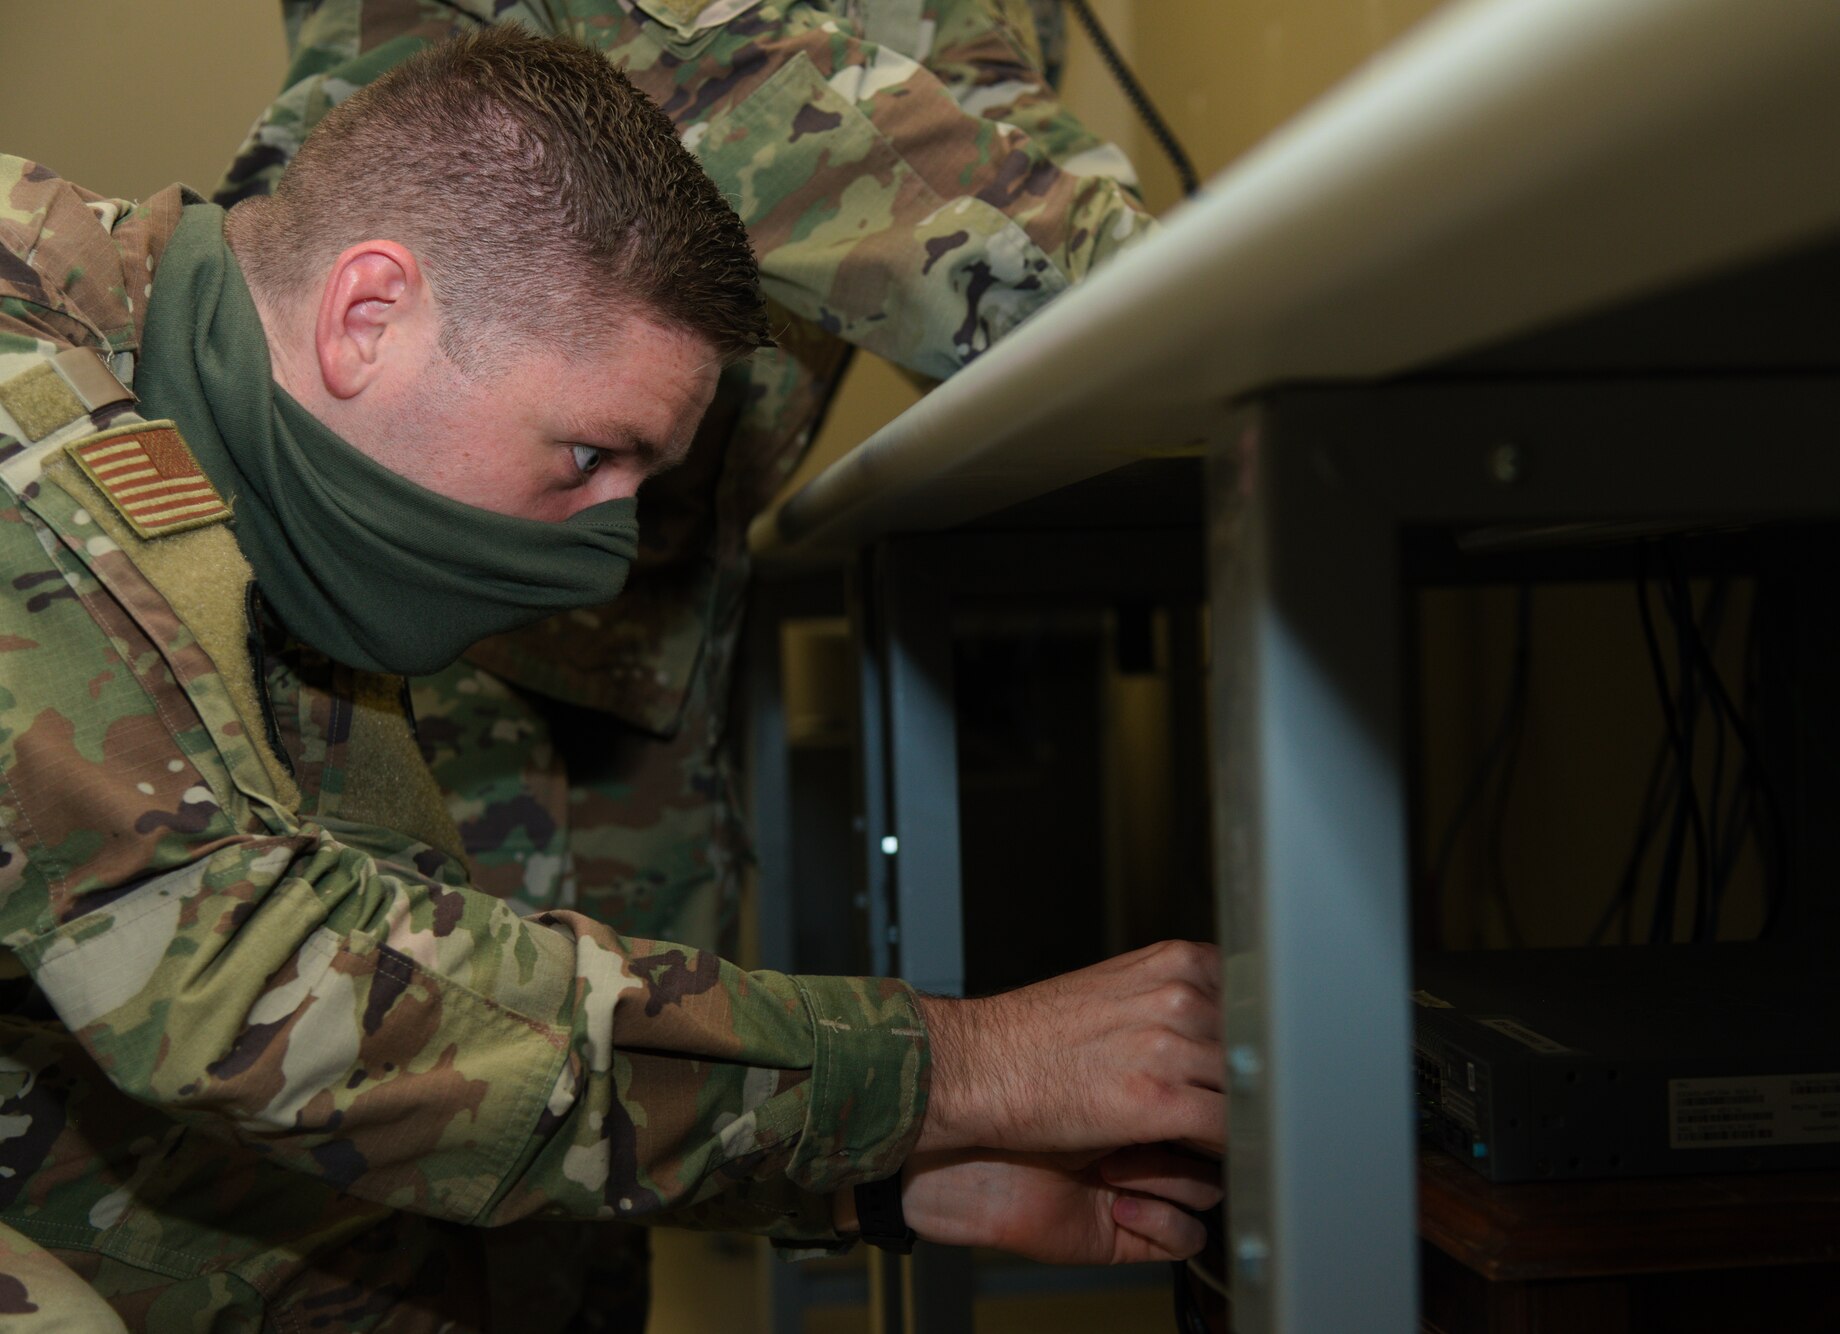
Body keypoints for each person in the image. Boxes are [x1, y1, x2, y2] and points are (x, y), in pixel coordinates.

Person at [0, 28, 1220, 1332]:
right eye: (586, 455)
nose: (604, 552)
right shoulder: (32, 433)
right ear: (371, 316)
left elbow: (425, 1053)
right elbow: (265, 999)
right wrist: (967, 1068)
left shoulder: (276, 497)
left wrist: (881, 1179)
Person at [211, 0, 1161, 965]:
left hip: (598, 625)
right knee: (447, 1035)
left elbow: (987, 127)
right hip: (397, 604)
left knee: (624, 1032)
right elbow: (790, 113)